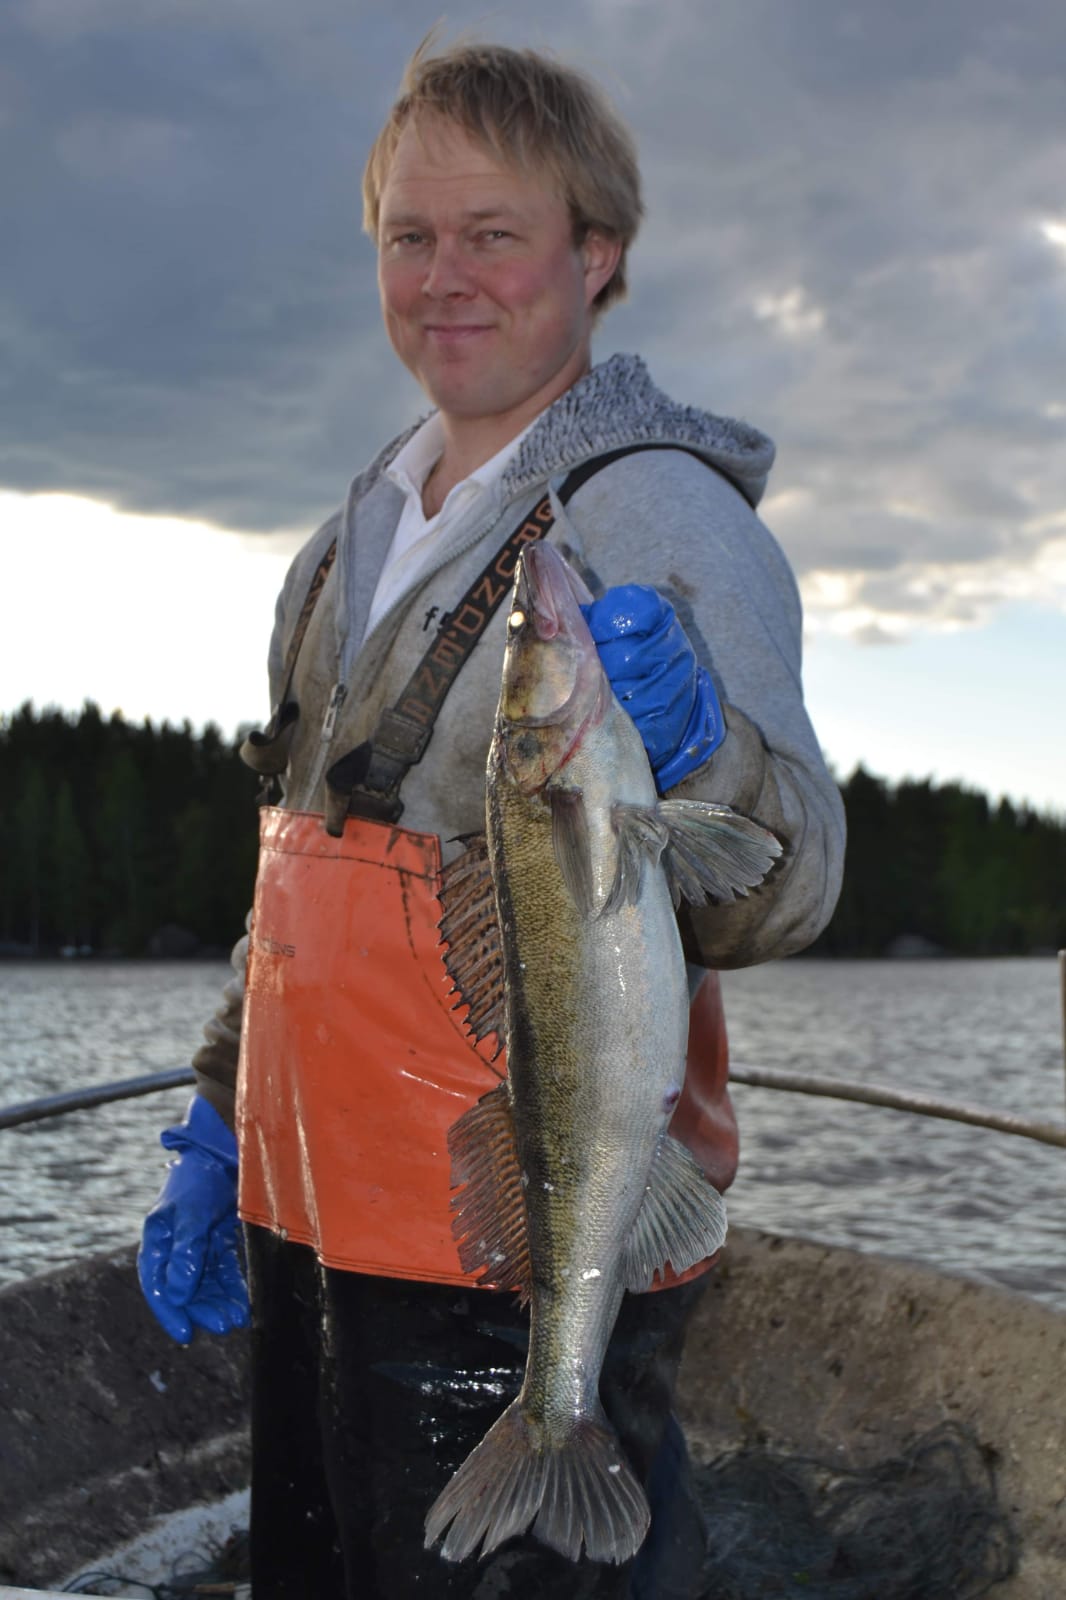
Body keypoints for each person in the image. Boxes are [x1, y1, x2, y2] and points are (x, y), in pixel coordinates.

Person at [138, 38, 845, 1600]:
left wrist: (701, 759)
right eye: (409, 236)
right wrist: (215, 1110)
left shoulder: (656, 515)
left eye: (493, 235)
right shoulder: (347, 539)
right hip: (312, 1210)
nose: (443, 277)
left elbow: (784, 889)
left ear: (595, 258)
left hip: (512, 1249)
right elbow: (299, 869)